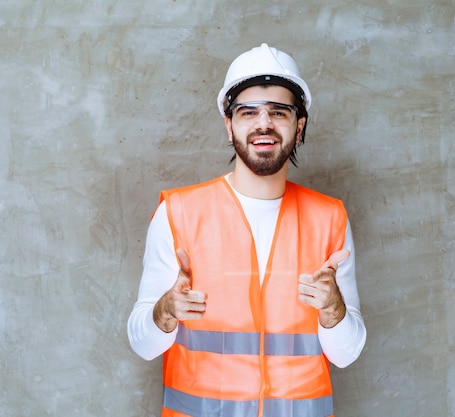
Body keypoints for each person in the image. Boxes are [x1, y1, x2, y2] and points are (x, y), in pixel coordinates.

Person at [127, 43, 366, 417]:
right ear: (229, 125)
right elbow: (142, 344)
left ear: (299, 126)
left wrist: (333, 309)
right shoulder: (179, 213)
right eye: (248, 112)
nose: (263, 123)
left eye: (279, 112)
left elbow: (346, 355)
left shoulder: (329, 218)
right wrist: (165, 312)